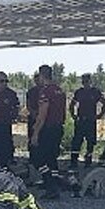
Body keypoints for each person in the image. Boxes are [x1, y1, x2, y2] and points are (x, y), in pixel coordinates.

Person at [30, 64, 67, 199]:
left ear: (41, 75)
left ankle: (50, 184)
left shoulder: (45, 91)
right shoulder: (59, 90)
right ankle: (55, 182)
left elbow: (42, 114)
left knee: (37, 156)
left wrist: (35, 133)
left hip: (48, 128)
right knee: (52, 157)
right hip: (58, 127)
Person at [68, 73, 105, 169]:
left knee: (90, 142)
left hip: (90, 120)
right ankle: (73, 162)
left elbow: (104, 103)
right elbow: (72, 104)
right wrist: (73, 115)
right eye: (84, 81)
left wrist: (100, 115)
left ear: (90, 81)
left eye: (87, 81)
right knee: (77, 141)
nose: (85, 83)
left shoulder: (95, 92)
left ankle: (88, 161)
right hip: (81, 120)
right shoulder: (79, 92)